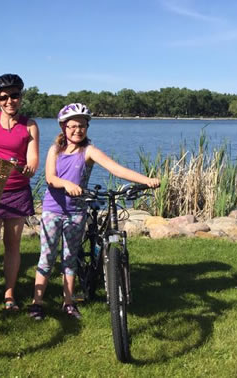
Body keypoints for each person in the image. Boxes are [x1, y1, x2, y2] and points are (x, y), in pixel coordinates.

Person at [28, 103, 160, 320]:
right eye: (72, 126)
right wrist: (65, 184)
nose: (77, 130)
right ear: (63, 127)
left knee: (70, 257)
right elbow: (50, 177)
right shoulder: (55, 150)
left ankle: (68, 302)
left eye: (82, 126)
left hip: (76, 212)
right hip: (53, 210)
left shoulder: (88, 151)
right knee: (47, 256)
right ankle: (37, 303)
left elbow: (115, 168)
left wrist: (146, 180)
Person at [0, 74, 40, 314]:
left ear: (21, 97)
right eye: (4, 97)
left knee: (12, 245)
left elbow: (33, 158)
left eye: (14, 95)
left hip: (17, 191)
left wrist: (29, 168)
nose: (9, 101)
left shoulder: (30, 125)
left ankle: (10, 292)